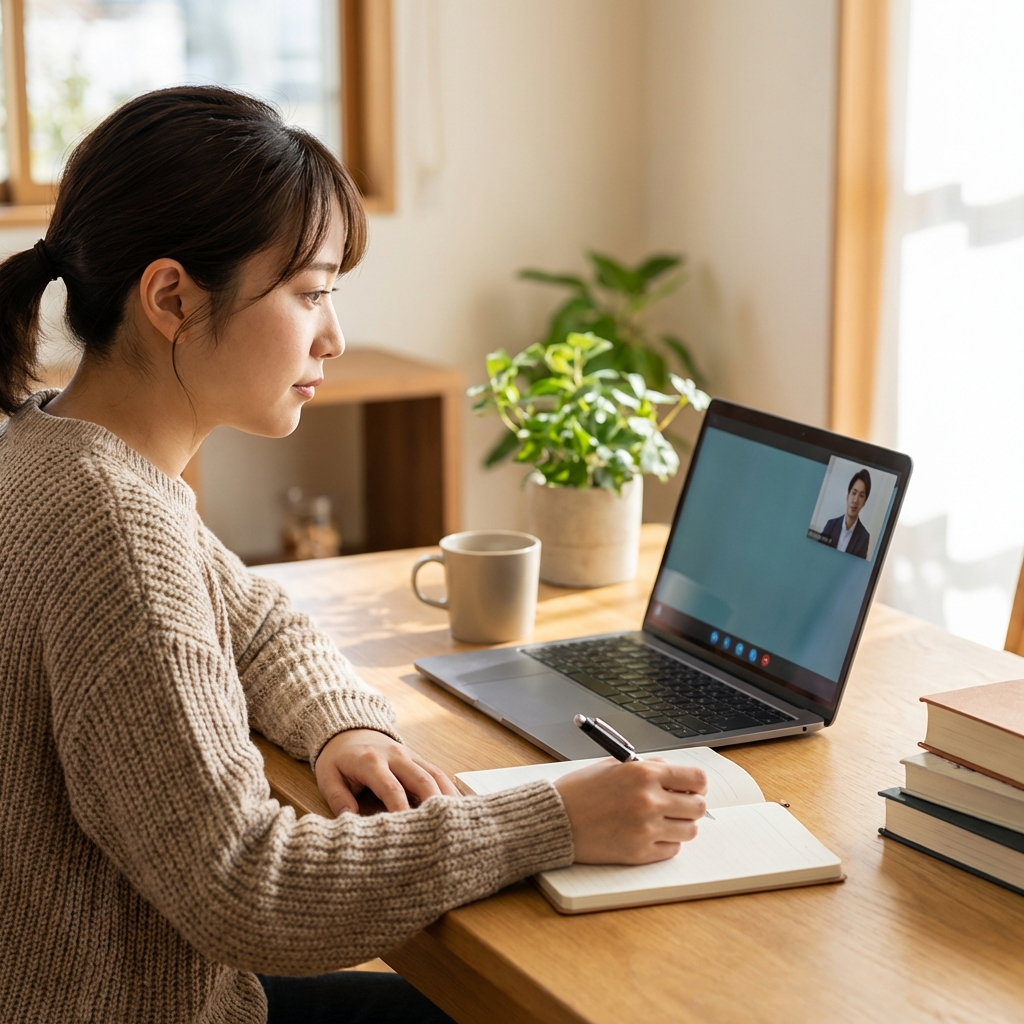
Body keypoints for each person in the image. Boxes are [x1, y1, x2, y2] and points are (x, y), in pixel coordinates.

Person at [0, 87, 708, 1024]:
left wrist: (345, 725)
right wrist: (554, 819)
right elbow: (251, 890)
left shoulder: (49, 445)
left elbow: (252, 620)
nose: (331, 335)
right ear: (172, 297)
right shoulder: (119, 535)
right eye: (309, 293)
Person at [818, 469, 871, 559]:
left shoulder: (864, 537)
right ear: (847, 496)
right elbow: (816, 553)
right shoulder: (830, 525)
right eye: (853, 493)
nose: (855, 500)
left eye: (861, 496)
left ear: (864, 502)